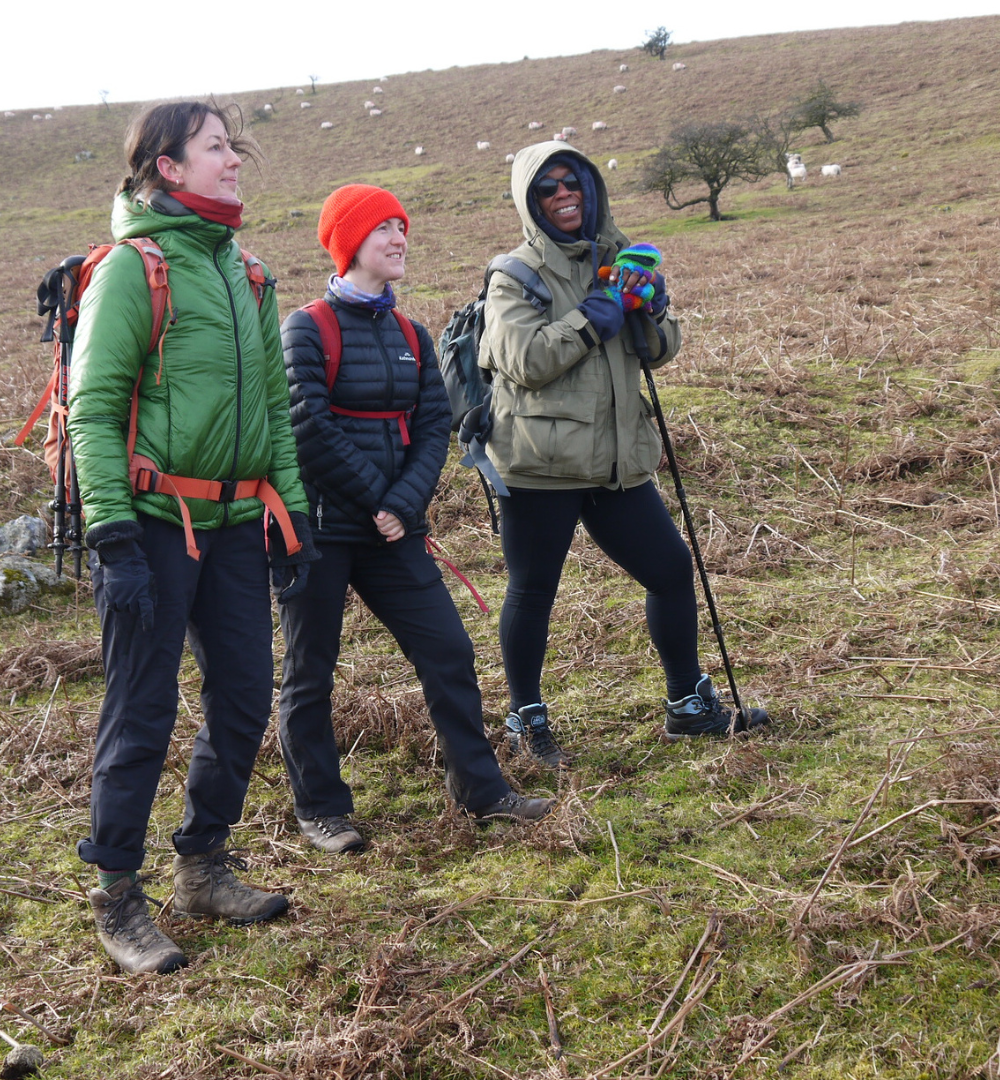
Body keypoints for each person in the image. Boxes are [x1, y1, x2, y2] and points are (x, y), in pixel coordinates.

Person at [67, 100, 317, 974]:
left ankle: (202, 865)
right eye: (217, 147)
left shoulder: (248, 273)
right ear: (167, 167)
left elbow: (277, 411)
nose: (234, 159)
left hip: (240, 523)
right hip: (151, 525)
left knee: (246, 698)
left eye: (233, 146)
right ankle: (116, 898)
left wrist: (294, 511)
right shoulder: (135, 270)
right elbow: (92, 409)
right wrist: (112, 537)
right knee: (142, 712)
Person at [277, 184, 553, 854]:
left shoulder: (411, 333)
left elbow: (435, 423)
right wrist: (380, 500)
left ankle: (480, 790)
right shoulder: (305, 327)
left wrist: (404, 504)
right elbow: (307, 424)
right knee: (311, 669)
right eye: (383, 231)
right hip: (318, 529)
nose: (399, 240)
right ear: (348, 244)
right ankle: (322, 809)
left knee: (449, 651)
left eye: (402, 229)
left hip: (392, 527)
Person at [477, 142, 770, 766]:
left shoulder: (617, 257)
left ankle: (688, 707)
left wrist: (653, 312)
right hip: (540, 464)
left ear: (591, 188)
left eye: (573, 183)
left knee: (669, 569)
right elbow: (524, 360)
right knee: (534, 592)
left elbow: (658, 352)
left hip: (615, 460)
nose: (564, 195)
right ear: (530, 201)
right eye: (548, 188)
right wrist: (593, 318)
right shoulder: (516, 274)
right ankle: (526, 722)